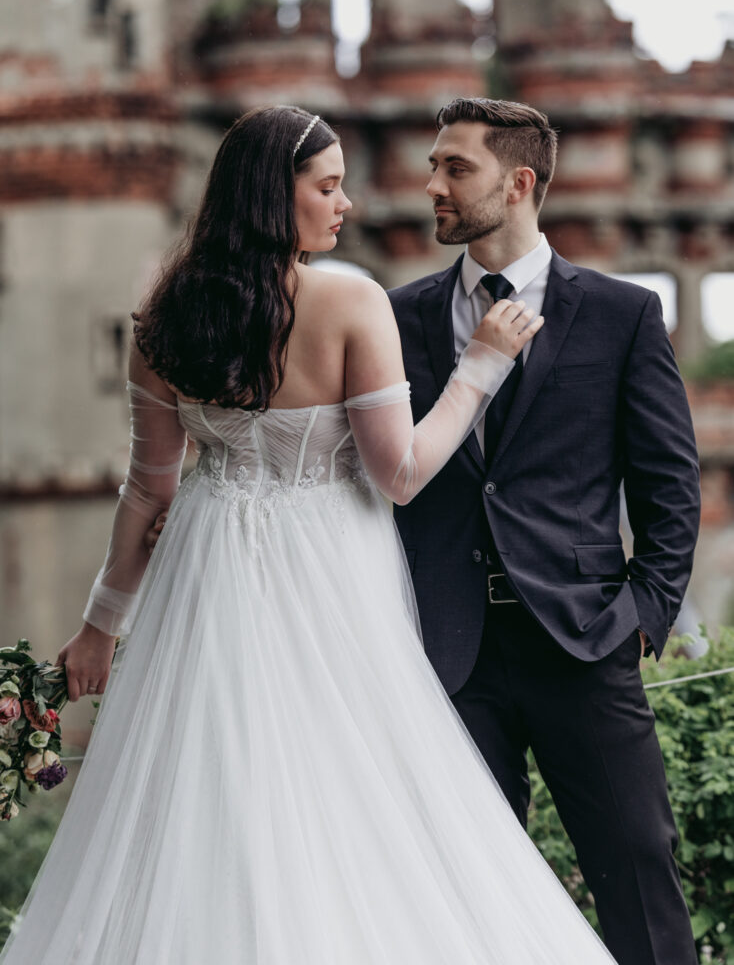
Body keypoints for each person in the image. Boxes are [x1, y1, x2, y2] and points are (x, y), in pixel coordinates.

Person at [0, 105, 620, 965]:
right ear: (272, 196)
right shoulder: (349, 300)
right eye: (327, 187)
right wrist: (481, 365)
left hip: (204, 571)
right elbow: (398, 474)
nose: (346, 205)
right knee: (356, 787)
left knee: (209, 789)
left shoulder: (163, 316)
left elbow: (147, 491)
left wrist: (101, 624)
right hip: (329, 573)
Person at [387, 97, 701, 965]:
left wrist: (644, 611)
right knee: (464, 888)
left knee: (638, 867)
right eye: (433, 166)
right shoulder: (398, 316)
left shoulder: (621, 312)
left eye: (456, 168)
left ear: (519, 183)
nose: (432, 185)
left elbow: (670, 480)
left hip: (583, 639)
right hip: (448, 650)